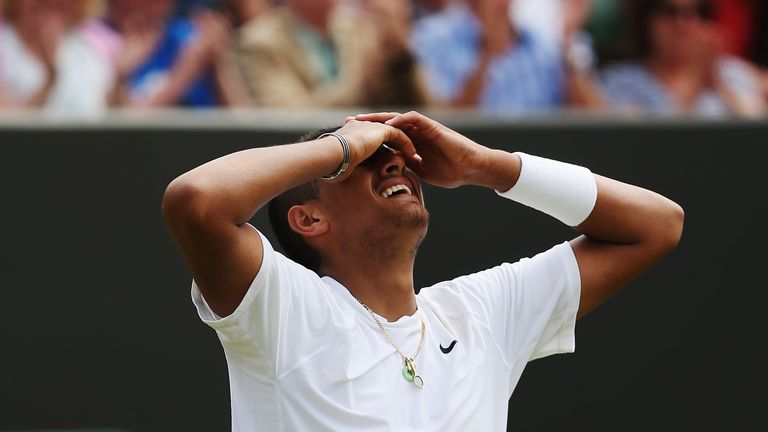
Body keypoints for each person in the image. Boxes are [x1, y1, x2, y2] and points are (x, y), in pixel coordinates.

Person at [163, 111, 684, 430]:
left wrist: (489, 166)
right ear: (308, 219)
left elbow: (658, 224)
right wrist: (342, 145)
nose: (393, 162)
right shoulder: (284, 307)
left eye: (396, 155)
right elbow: (195, 200)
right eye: (363, 163)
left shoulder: (481, 312)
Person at [235, 0, 427, 107]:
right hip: (306, 164)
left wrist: (402, 55)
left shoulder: (361, 27)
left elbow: (422, 105)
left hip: (370, 153)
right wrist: (361, 82)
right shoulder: (258, 41)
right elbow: (290, 117)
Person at [598, 0, 765, 116]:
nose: (684, 24)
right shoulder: (623, 81)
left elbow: (757, 132)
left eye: (698, 12)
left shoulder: (732, 72)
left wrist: (718, 84)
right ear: (647, 21)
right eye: (671, 12)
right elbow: (653, 143)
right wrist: (694, 77)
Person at [411, 0, 564, 111]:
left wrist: (568, 42)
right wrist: (487, 54)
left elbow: (582, 118)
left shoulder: (540, 42)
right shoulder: (432, 37)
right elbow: (445, 121)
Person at [0, 0, 119, 113]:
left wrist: (121, 80)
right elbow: (9, 124)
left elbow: (111, 116)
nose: (52, 1)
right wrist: (50, 80)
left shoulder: (93, 47)